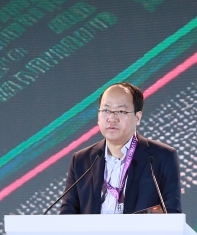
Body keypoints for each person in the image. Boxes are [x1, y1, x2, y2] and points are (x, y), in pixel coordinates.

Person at [59, 82, 181, 214]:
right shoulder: (81, 160)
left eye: (121, 111)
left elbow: (171, 214)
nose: (112, 118)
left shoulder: (161, 157)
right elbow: (67, 215)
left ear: (137, 117)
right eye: (106, 110)